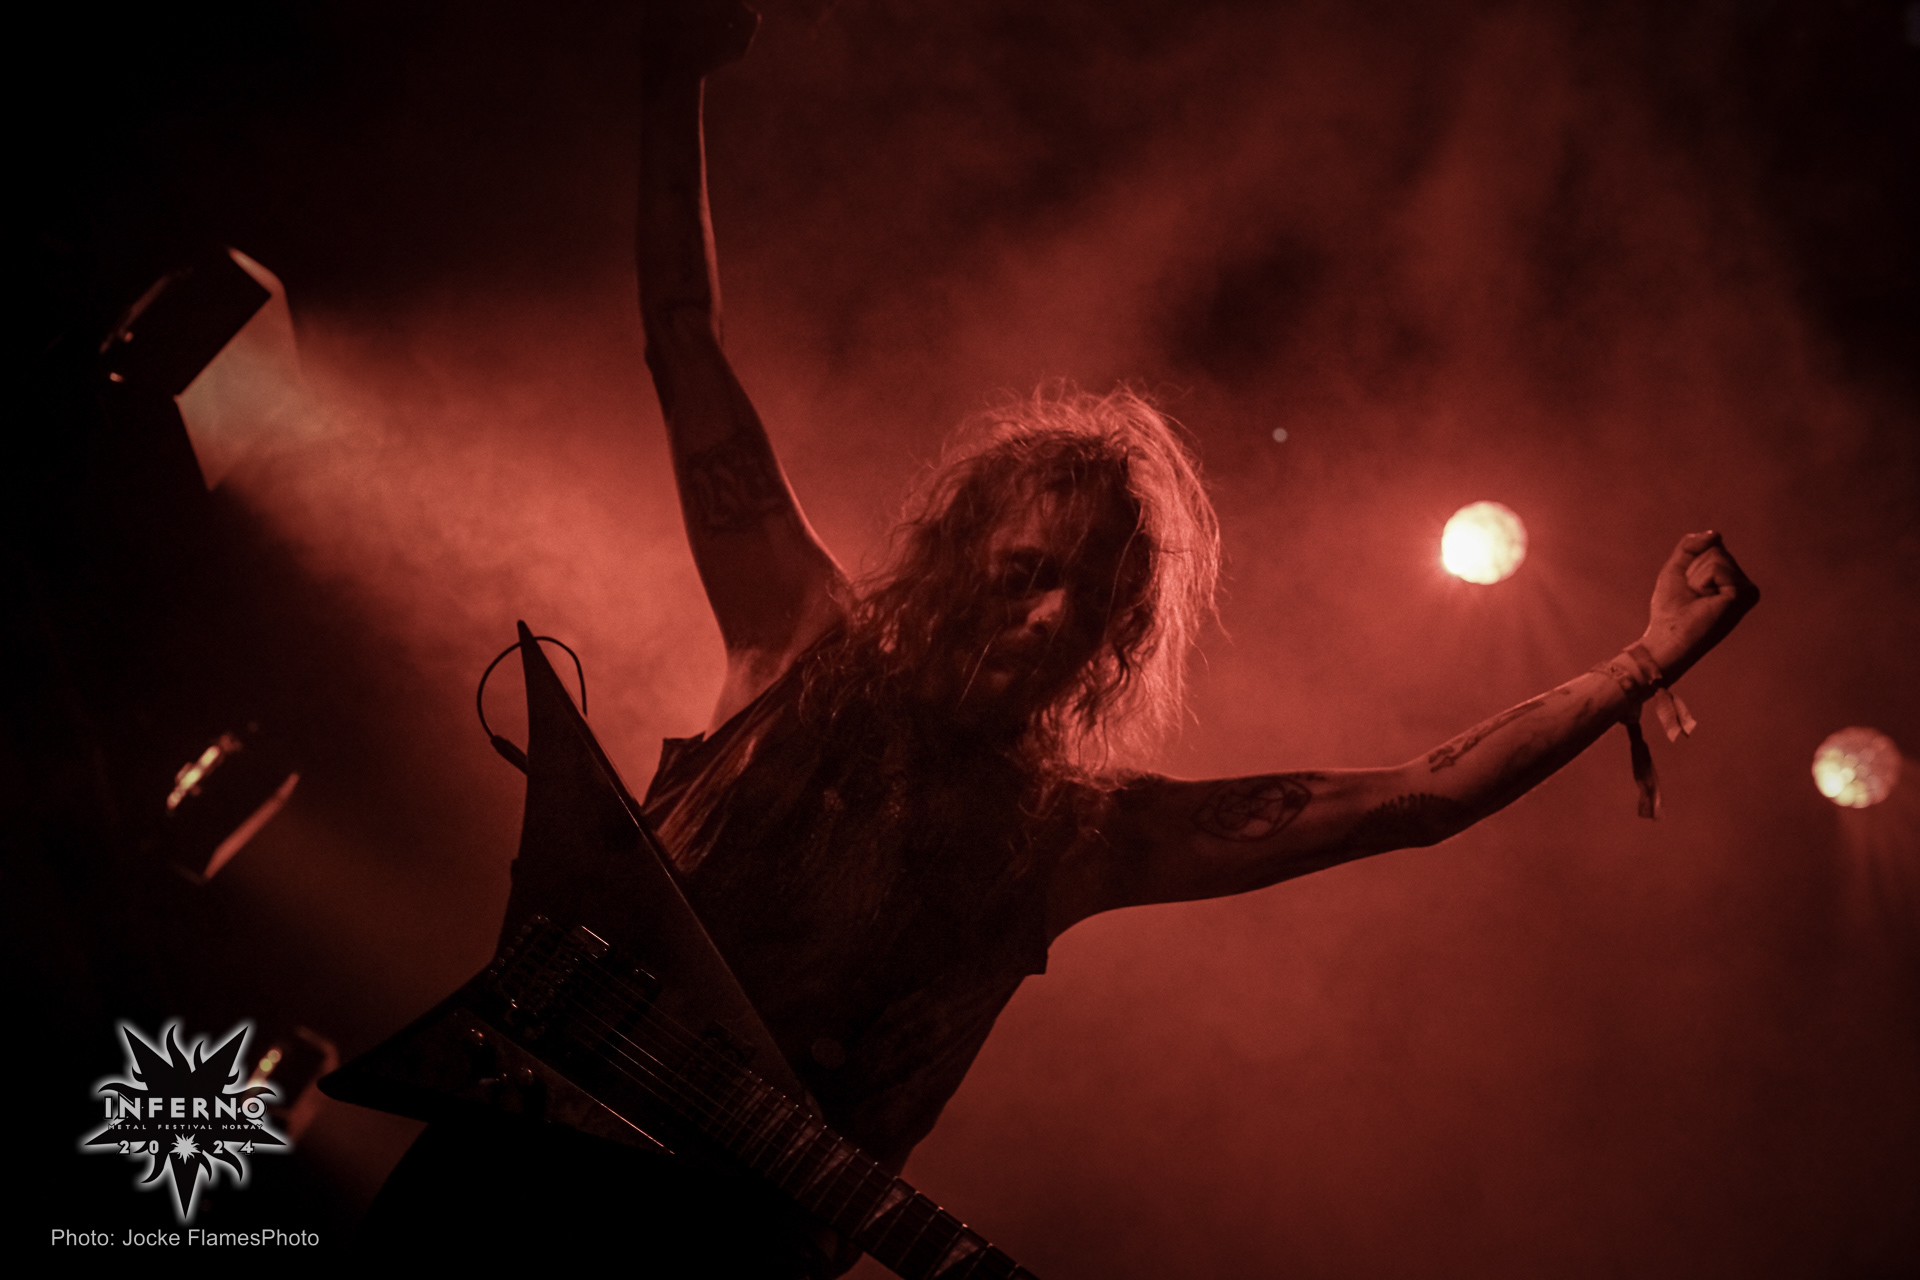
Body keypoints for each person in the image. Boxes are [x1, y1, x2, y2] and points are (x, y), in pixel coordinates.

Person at [363, 3, 1757, 1271]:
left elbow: (1417, 799)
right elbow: (683, 339)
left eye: (1085, 605)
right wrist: (673, 73)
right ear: (959, 552)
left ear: (1114, 638)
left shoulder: (1073, 836)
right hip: (514, 1157)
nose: (1044, 620)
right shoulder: (797, 635)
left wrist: (1643, 662)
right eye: (1024, 574)